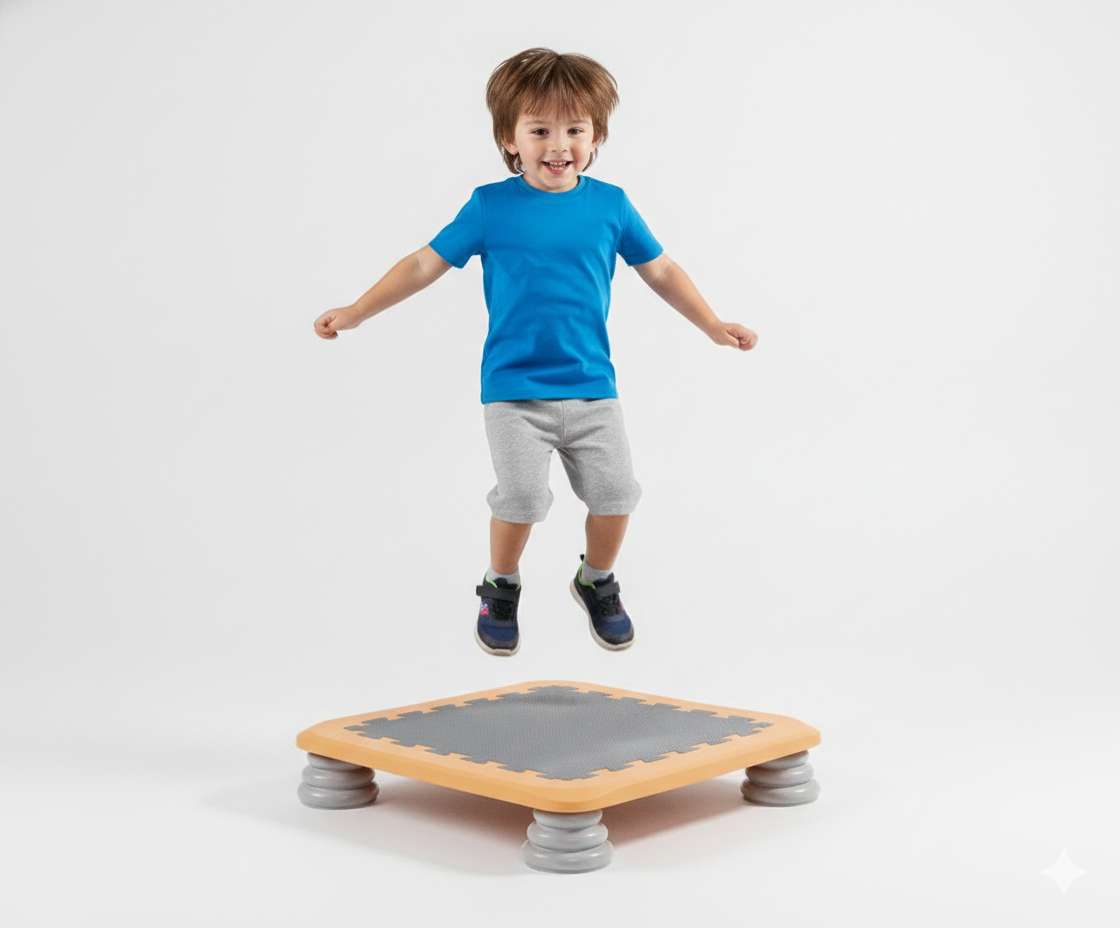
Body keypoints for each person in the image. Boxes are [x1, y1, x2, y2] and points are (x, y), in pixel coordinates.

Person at [313, 48, 757, 657]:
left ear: (596, 137)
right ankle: (501, 584)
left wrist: (711, 324)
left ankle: (596, 579)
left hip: (592, 389)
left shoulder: (611, 205)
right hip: (514, 392)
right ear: (509, 138)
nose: (559, 145)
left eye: (575, 130)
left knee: (617, 494)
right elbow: (422, 264)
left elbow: (661, 270)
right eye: (540, 130)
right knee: (521, 499)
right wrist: (358, 310)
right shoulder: (490, 206)